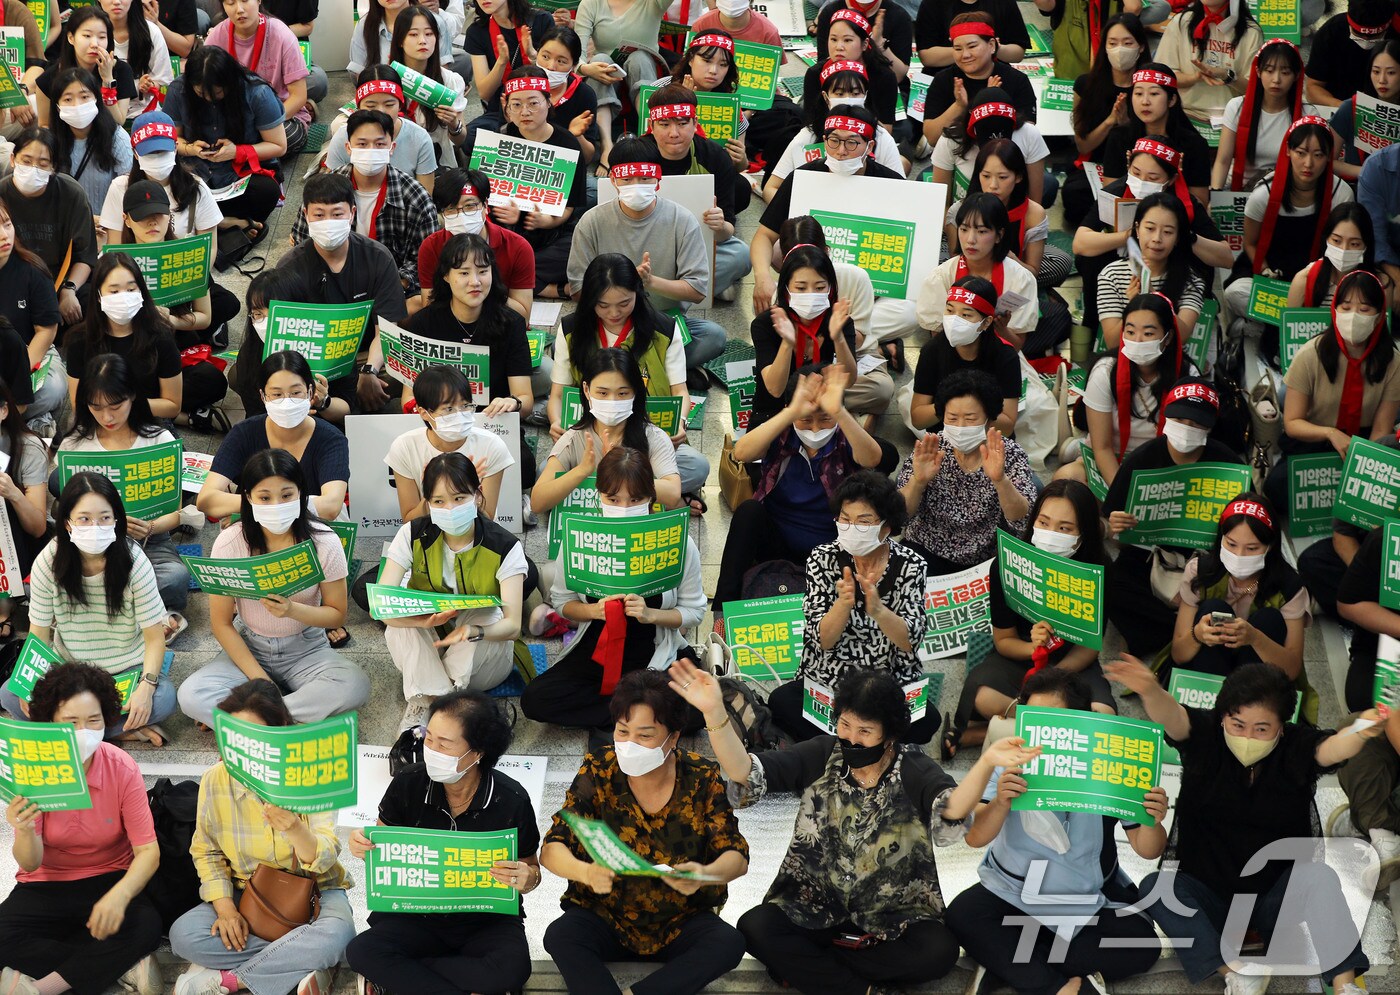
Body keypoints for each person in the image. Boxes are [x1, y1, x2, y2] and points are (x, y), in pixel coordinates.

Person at [676, 662, 1018, 995]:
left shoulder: (914, 767)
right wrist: (714, 714)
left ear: (890, 734)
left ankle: (813, 973)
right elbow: (745, 771)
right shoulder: (823, 754)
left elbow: (954, 807)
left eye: (865, 731)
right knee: (756, 926)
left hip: (893, 916)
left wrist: (986, 762)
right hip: (813, 905)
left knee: (938, 952)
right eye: (845, 725)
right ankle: (863, 989)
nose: (851, 738)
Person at [1106, 656, 1375, 995]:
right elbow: (1172, 715)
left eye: (1261, 728)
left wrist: (1364, 728)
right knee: (1156, 886)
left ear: (1282, 725)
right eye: (1237, 724)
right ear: (1223, 717)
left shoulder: (1295, 747)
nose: (1247, 735)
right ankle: (1237, 973)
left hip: (1273, 904)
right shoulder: (1204, 737)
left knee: (1321, 877)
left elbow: (1334, 748)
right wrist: (1149, 689)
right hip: (1208, 899)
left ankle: (1346, 984)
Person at [948, 666, 1168, 995]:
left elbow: (1149, 849)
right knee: (961, 916)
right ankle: (1055, 985)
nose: (1044, 731)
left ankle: (1005, 963)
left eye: (1055, 720)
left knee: (1142, 945)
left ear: (1082, 723)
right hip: (1012, 892)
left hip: (1085, 899)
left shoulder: (1109, 766)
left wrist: (1153, 817)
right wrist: (1002, 803)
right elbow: (975, 836)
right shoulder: (1011, 762)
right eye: (1034, 719)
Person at [539, 669, 750, 995]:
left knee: (728, 944)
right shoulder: (599, 768)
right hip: (607, 916)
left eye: (645, 736)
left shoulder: (701, 776)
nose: (629, 745)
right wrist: (586, 872)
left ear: (674, 737)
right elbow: (553, 847)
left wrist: (705, 875)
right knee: (561, 936)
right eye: (622, 731)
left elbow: (735, 856)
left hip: (680, 920)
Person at [345, 690, 541, 995]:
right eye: (429, 738)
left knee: (514, 969)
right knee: (361, 951)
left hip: (484, 920)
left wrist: (527, 878)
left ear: (477, 753)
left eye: (444, 744)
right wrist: (361, 845)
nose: (430, 749)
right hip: (416, 915)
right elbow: (381, 841)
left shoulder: (510, 799)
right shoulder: (408, 783)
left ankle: (405, 980)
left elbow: (531, 869)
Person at [170, 680, 357, 995]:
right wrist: (226, 908)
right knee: (183, 935)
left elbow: (326, 856)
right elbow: (207, 851)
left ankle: (231, 980)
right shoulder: (216, 779)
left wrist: (294, 828)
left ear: (281, 730)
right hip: (249, 895)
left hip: (316, 894)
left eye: (254, 738)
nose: (243, 749)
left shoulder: (313, 774)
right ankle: (303, 965)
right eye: (233, 738)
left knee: (339, 935)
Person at [0, 663, 162, 995]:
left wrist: (118, 897)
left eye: (94, 721)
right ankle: (123, 966)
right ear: (50, 723)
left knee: (147, 924)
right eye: (71, 722)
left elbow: (148, 852)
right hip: (47, 883)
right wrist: (26, 829)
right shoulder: (33, 769)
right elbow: (30, 864)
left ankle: (42, 988)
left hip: (110, 877)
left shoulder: (121, 768)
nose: (84, 731)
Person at [178, 450, 369, 727]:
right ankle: (283, 718)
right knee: (191, 695)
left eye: (287, 495)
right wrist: (262, 683)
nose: (276, 504)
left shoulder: (324, 543)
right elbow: (221, 624)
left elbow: (337, 615)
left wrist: (293, 610)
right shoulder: (230, 543)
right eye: (265, 497)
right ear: (248, 498)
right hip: (249, 645)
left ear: (301, 494)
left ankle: (246, 719)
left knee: (354, 684)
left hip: (306, 648)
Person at [521, 447, 705, 730]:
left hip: (656, 654)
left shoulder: (677, 541)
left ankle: (629, 714)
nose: (623, 508)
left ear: (651, 498)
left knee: (697, 713)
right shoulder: (580, 536)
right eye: (613, 499)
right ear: (598, 495)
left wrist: (651, 615)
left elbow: (694, 611)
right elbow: (561, 601)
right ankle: (641, 717)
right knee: (535, 700)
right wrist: (593, 611)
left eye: (635, 499)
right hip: (595, 652)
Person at [945, 481, 1118, 758]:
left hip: (1071, 665)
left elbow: (1089, 647)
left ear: (1083, 533)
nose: (1051, 534)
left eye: (1065, 529)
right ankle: (1053, 731)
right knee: (983, 694)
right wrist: (1033, 648)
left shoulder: (1100, 570)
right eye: (1044, 522)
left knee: (1103, 716)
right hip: (1019, 658)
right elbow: (1004, 641)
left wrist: (1054, 680)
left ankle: (992, 732)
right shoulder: (1005, 563)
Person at [766, 470, 934, 744]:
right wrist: (843, 604)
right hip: (829, 679)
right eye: (845, 519)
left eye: (864, 522)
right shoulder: (822, 558)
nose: (851, 528)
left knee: (927, 721)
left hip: (885, 682)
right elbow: (822, 639)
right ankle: (866, 741)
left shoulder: (912, 565)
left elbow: (909, 642)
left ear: (887, 527)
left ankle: (846, 740)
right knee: (782, 702)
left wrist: (879, 611)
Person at [8, 472, 175, 744]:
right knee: (10, 694)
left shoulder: (134, 561)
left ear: (116, 520)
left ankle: (69, 728)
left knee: (163, 698)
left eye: (105, 518)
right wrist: (28, 687)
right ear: (68, 523)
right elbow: (39, 636)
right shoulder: (47, 562)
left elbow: (155, 638)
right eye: (84, 518)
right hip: (69, 668)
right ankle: (115, 730)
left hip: (126, 670)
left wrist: (147, 685)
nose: (95, 526)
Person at [710, 367, 884, 625]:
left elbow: (873, 457)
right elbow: (742, 452)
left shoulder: (845, 439)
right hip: (777, 539)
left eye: (825, 419)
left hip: (830, 545)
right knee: (748, 511)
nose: (815, 429)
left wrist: (839, 412)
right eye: (806, 420)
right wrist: (791, 412)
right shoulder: (781, 434)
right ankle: (723, 614)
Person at [380, 452, 530, 728]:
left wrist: (473, 632)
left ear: (477, 495)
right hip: (430, 644)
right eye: (439, 501)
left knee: (484, 615)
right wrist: (419, 620)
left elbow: (512, 626)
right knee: (400, 626)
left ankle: (427, 703)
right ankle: (444, 707)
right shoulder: (412, 534)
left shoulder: (504, 546)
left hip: (481, 660)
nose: (449, 508)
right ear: (428, 502)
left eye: (459, 498)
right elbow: (383, 605)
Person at [1104, 376, 1244, 659]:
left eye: (1196, 424)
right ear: (1166, 418)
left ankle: (1175, 632)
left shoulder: (1229, 465)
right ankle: (1187, 632)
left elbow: (1247, 528)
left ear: (1210, 427)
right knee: (1111, 586)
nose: (1186, 429)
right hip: (1153, 559)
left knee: (1233, 592)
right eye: (1180, 420)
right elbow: (1108, 524)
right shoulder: (1141, 461)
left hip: (1208, 564)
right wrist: (1114, 527)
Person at [550, 252, 707, 502]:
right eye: (603, 305)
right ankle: (642, 495)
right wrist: (556, 422)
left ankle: (606, 494)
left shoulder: (663, 329)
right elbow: (557, 394)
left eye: (624, 303)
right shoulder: (572, 329)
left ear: (638, 293)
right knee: (545, 476)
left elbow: (680, 391)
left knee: (697, 466)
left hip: (645, 441)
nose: (614, 313)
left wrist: (682, 423)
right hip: (592, 441)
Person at [55, 354, 191, 641]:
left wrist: (152, 527)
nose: (107, 417)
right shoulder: (75, 445)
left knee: (175, 576)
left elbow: (176, 512)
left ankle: (103, 612)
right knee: (57, 573)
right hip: (90, 545)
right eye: (96, 407)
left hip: (148, 540)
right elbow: (65, 512)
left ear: (133, 397)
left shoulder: (158, 441)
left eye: (116, 406)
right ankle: (146, 614)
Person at [565, 138, 724, 372]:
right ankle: (659, 369)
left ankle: (620, 369)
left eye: (645, 179)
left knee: (713, 336)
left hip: (661, 320)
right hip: (608, 319)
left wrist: (650, 282)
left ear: (658, 180)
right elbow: (578, 289)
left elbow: (697, 290)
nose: (636, 186)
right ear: (613, 180)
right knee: (565, 343)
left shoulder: (681, 219)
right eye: (627, 180)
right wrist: (617, 293)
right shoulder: (591, 221)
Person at [1267, 268, 1400, 516]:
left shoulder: (1393, 361)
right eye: (1346, 307)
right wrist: (1330, 434)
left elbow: (1381, 430)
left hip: (1364, 441)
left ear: (1379, 315)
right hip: (1317, 435)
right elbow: (1293, 422)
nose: (1353, 317)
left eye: (1364, 309)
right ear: (1334, 309)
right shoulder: (1311, 354)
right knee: (1276, 488)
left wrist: (1363, 471)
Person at [281, 172, 409, 419]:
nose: (328, 221)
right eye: (319, 215)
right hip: (311, 363)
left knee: (399, 378)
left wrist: (370, 371)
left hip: (363, 358)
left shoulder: (378, 258)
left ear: (351, 213)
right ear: (306, 214)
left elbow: (385, 331)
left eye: (337, 214)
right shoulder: (289, 266)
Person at [752, 106, 903, 314]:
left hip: (872, 287)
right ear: (824, 140)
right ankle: (858, 335)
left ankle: (844, 332)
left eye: (852, 143)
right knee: (769, 305)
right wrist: (762, 278)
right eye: (834, 141)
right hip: (813, 284)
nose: (841, 151)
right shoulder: (803, 177)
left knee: (908, 313)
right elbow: (763, 236)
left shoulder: (892, 184)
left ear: (869, 147)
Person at [1074, 134, 1232, 332]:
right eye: (1136, 172)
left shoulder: (1185, 204)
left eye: (1153, 178)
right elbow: (1080, 243)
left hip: (1171, 271)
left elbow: (1226, 258)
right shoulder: (1116, 192)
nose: (1141, 182)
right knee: (1090, 259)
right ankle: (1094, 325)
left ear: (1172, 178)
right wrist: (1130, 234)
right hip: (1125, 266)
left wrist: (1185, 236)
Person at [1224, 117, 1352, 354]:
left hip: (1317, 278)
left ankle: (1266, 326)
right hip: (1272, 276)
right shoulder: (1264, 194)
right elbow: (1250, 243)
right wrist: (1265, 272)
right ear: (1288, 151)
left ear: (1329, 157)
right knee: (1236, 292)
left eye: (1318, 155)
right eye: (1301, 152)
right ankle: (1302, 326)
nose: (1308, 163)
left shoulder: (1340, 193)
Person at [1168, 494, 1310, 696]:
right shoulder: (1200, 572)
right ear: (1221, 538)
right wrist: (1197, 635)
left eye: (1252, 548)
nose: (1239, 555)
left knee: (1269, 619)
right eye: (1231, 544)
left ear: (1269, 547)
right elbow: (1178, 654)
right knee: (1213, 609)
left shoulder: (1289, 587)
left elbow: (1292, 669)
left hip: (1259, 686)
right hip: (1207, 677)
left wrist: (1255, 638)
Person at [897, 369, 1037, 574]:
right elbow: (899, 516)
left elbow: (1023, 521)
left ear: (989, 419)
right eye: (952, 418)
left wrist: (1000, 481)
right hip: (927, 548)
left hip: (986, 559)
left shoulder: (1009, 454)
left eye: (970, 419)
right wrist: (918, 481)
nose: (960, 427)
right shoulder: (931, 449)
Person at [66, 251, 232, 424]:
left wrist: (124, 406)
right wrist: (109, 411)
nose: (124, 297)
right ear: (98, 296)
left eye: (131, 289)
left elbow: (172, 405)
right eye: (114, 291)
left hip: (148, 420)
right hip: (99, 421)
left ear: (141, 291)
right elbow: (78, 404)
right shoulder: (80, 341)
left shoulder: (159, 336)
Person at [404, 233, 535, 442]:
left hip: (492, 426)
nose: (475, 282)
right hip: (440, 429)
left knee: (525, 464)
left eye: (483, 271)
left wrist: (513, 403)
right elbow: (409, 396)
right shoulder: (424, 323)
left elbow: (525, 398)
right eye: (464, 273)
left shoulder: (511, 323)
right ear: (446, 276)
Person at [294, 110, 439, 294]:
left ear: (391, 148)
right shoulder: (324, 187)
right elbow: (302, 240)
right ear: (348, 148)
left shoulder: (414, 196)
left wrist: (392, 287)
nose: (371, 151)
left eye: (379, 144)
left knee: (417, 307)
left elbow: (425, 258)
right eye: (362, 144)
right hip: (331, 286)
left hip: (389, 288)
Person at [197, 351, 347, 523]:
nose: (286, 401)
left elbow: (331, 506)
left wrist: (259, 506)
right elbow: (206, 499)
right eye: (276, 394)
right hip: (256, 528)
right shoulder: (244, 433)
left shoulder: (331, 439)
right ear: (263, 396)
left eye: (296, 392)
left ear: (310, 391)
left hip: (310, 526)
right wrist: (271, 509)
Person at [472, 67, 584, 298]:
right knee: (472, 246)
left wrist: (547, 221)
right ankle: (549, 289)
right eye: (516, 105)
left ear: (548, 101)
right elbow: (478, 198)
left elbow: (569, 208)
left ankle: (510, 281)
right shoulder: (498, 140)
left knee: (580, 247)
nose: (525, 111)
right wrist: (508, 218)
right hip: (504, 234)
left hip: (550, 236)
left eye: (533, 103)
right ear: (507, 108)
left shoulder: (568, 145)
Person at [1063, 292, 1194, 489]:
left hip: (1159, 467)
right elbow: (1102, 448)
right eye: (1130, 332)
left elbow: (1188, 446)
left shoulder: (1187, 375)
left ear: (1167, 338)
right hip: (1110, 459)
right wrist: (1123, 496)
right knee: (1068, 479)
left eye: (1148, 333)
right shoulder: (1106, 371)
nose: (1138, 341)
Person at [640, 81, 750, 302]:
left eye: (682, 123)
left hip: (697, 245)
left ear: (695, 123)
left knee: (741, 255)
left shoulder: (715, 157)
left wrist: (719, 226)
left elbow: (726, 230)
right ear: (652, 125)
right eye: (664, 124)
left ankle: (659, 293)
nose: (674, 133)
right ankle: (702, 287)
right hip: (645, 248)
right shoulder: (636, 155)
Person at [161, 44, 286, 238]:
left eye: (218, 93)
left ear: (230, 81)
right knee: (164, 189)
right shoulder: (178, 90)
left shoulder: (256, 92)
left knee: (267, 192)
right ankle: (224, 224)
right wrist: (190, 149)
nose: (210, 99)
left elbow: (278, 146)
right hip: (196, 172)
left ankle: (206, 223)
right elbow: (171, 140)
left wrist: (237, 152)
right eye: (201, 93)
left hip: (240, 173)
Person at [115, 179, 239, 350]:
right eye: (142, 216)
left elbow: (204, 317)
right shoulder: (115, 263)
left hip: (176, 334)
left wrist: (173, 321)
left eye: (158, 213)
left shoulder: (188, 253)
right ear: (126, 220)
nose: (152, 222)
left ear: (169, 216)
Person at [384, 365, 515, 525]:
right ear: (424, 412)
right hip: (428, 532)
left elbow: (487, 518)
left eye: (465, 406)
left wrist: (471, 489)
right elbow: (410, 520)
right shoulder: (404, 447)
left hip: (478, 532)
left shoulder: (491, 445)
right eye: (449, 409)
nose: (459, 415)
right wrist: (431, 492)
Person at [749, 242, 858, 431]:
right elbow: (775, 389)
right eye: (801, 288)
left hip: (823, 414)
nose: (811, 295)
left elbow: (848, 381)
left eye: (819, 287)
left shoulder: (840, 321)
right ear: (786, 290)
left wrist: (838, 337)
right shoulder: (766, 323)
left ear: (830, 288)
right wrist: (787, 343)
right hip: (775, 414)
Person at [764, 59, 902, 203]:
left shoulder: (881, 136)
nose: (848, 100)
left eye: (855, 93)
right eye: (840, 94)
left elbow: (901, 193)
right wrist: (797, 213)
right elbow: (771, 188)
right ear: (826, 97)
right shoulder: (808, 135)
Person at [915, 193, 1040, 352]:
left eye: (981, 231)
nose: (970, 240)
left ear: (999, 235)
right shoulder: (942, 276)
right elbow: (939, 340)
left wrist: (1001, 329)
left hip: (1000, 357)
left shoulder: (1020, 278)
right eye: (964, 229)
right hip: (954, 357)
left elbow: (1016, 346)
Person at [0, 127, 96, 328]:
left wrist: (69, 289)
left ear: (53, 168)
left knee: (89, 300)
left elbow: (85, 255)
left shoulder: (71, 194)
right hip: (12, 280)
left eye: (43, 164)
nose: (33, 168)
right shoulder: (2, 193)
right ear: (12, 159)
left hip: (61, 280)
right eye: (26, 161)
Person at [1062, 12, 1150, 228]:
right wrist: (1111, 121)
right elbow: (1083, 144)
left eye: (1128, 42)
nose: (1120, 49)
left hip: (1138, 168)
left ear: (1140, 47)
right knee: (1075, 196)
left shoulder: (1149, 89)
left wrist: (1127, 125)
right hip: (1094, 165)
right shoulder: (1086, 85)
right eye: (1113, 43)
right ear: (1105, 47)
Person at [413, 168, 535, 321]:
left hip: (501, 327)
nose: (461, 214)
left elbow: (523, 315)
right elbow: (430, 308)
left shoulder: (517, 247)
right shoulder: (431, 247)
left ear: (485, 205)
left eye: (470, 206)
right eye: (451, 209)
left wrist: (485, 287)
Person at [944, 138, 1065, 290]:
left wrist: (1012, 261)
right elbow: (955, 260)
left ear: (1019, 177)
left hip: (1013, 269)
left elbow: (1032, 272)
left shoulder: (1033, 213)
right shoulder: (960, 209)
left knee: (1061, 262)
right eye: (986, 176)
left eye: (1002, 177)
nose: (993, 185)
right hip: (970, 274)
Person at [909, 276, 1019, 436]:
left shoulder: (1005, 356)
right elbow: (918, 419)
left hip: (989, 441)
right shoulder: (932, 350)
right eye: (950, 310)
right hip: (943, 439)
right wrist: (948, 403)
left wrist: (974, 411)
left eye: (966, 315)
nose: (954, 320)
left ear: (986, 322)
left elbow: (1007, 427)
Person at [1094, 194, 1203, 350]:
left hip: (1169, 362)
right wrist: (1134, 305)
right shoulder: (1111, 275)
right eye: (1150, 229)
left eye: (1167, 232)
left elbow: (1183, 337)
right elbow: (1112, 343)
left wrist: (1153, 296)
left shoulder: (1191, 280)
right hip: (1125, 361)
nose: (1157, 238)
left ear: (1178, 237)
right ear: (1137, 229)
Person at [571, 0, 672, 170]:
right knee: (600, 60)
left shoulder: (653, 3)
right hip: (606, 73)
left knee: (640, 57)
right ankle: (606, 144)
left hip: (644, 69)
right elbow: (577, 52)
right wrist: (586, 68)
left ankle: (650, 134)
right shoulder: (591, 4)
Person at [99, 110, 224, 244]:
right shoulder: (120, 188)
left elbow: (209, 247)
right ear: (135, 154)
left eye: (163, 151)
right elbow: (115, 247)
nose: (157, 157)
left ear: (175, 149)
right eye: (150, 153)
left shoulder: (196, 188)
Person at [208, 0, 311, 154]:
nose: (239, 10)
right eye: (230, 3)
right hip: (235, 117)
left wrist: (262, 125)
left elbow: (298, 96)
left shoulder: (281, 33)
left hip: (279, 115)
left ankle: (240, 152)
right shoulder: (217, 36)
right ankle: (247, 151)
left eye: (244, 1)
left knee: (285, 138)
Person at [923, 13, 1037, 148]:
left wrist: (991, 103)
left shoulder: (1017, 80)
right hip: (957, 154)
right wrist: (959, 106)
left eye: (972, 46)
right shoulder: (944, 80)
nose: (965, 55)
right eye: (958, 48)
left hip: (1006, 156)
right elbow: (931, 138)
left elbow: (1027, 136)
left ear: (992, 45)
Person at [1098, 64, 1211, 201]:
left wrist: (1175, 179)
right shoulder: (1120, 137)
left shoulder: (1194, 144)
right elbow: (1110, 197)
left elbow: (1201, 203)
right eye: (1138, 94)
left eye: (1154, 94)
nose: (1145, 102)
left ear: (1172, 100)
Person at [0, 199, 63, 431]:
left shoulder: (32, 270)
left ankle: (16, 418)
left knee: (53, 387)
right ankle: (24, 421)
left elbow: (46, 331)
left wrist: (18, 374)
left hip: (33, 354)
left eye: (7, 224)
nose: (4, 235)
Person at [932, 87, 1050, 209]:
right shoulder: (951, 139)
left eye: (1003, 177)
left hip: (1013, 215)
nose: (993, 185)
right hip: (965, 219)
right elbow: (940, 205)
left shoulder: (1029, 134)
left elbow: (1035, 204)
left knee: (1050, 184)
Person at [325, 67, 437, 193]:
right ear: (358, 106)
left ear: (400, 105)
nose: (381, 111)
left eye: (389, 105)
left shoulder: (419, 138)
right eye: (371, 106)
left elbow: (425, 195)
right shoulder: (343, 136)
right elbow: (332, 192)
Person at [1211, 38, 1303, 192]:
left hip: (1285, 193)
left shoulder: (1306, 115)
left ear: (1296, 75)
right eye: (1269, 71)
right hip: (1241, 191)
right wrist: (1215, 195)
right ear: (1258, 72)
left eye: (1285, 72)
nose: (1276, 80)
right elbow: (1223, 160)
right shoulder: (1237, 107)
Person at [0, 375, 51, 641]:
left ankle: (4, 609)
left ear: (4, 410)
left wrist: (13, 494)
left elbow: (37, 527)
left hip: (17, 541)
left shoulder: (28, 448)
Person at [226, 269, 317, 419]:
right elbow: (254, 415)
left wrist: (323, 403)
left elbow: (345, 406)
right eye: (258, 314)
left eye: (277, 312)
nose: (268, 322)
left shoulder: (324, 343)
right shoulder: (250, 355)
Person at [389, 4, 469, 167]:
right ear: (400, 41)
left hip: (434, 160)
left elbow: (460, 139)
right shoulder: (386, 78)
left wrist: (454, 125)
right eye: (413, 34)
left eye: (429, 34)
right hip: (392, 158)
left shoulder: (451, 81)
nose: (422, 41)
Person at [1156, 0, 1262, 123]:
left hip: (1230, 120)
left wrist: (1227, 76)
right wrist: (1196, 77)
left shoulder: (1251, 31)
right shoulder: (1182, 22)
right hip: (1184, 115)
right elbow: (1162, 76)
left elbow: (1255, 89)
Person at [463, 0, 554, 141]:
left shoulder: (540, 21)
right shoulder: (477, 31)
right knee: (469, 137)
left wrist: (532, 55)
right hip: (503, 108)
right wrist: (501, 62)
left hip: (541, 107)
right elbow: (485, 93)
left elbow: (555, 76)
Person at [49, 67, 132, 220]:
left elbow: (128, 191)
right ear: (57, 106)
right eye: (68, 99)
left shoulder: (117, 138)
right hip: (68, 227)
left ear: (96, 99)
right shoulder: (51, 141)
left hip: (109, 226)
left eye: (84, 97)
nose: (77, 105)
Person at [35, 9, 140, 128]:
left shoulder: (121, 70)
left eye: (101, 37)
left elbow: (118, 120)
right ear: (71, 38)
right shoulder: (50, 77)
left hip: (105, 139)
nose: (95, 44)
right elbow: (44, 125)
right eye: (87, 36)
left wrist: (107, 80)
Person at [800, 9, 898, 133]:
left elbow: (886, 129)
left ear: (864, 44)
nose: (838, 47)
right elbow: (810, 125)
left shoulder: (883, 76)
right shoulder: (815, 74)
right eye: (833, 39)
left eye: (847, 40)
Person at [1329, 38, 1400, 183]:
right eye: (1376, 71)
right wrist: (1368, 171)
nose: (1382, 80)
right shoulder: (1350, 108)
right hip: (1357, 190)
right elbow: (1327, 160)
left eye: (1391, 73)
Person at [1294, 200, 1383, 309]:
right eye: (1336, 240)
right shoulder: (1304, 280)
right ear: (1326, 239)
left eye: (1354, 244)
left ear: (1366, 245)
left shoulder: (1381, 284)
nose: (1344, 249)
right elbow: (1290, 323)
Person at [1304, 0, 1393, 108]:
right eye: (1358, 34)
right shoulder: (1330, 33)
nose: (1365, 40)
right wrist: (1345, 108)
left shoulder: (1396, 33)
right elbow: (1313, 87)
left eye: (1373, 37)